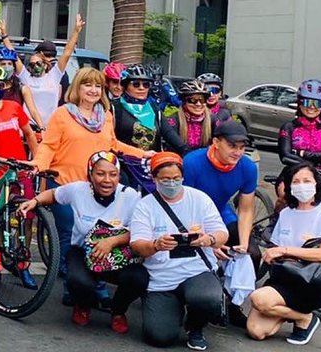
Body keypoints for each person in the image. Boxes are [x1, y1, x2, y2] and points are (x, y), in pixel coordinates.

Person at [21, 150, 148, 332]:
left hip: (119, 255)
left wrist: (111, 242)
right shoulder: (78, 189)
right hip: (82, 252)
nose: (107, 180)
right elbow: (53, 195)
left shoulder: (130, 196)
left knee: (139, 278)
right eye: (100, 173)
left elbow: (140, 231)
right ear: (90, 174)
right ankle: (82, 305)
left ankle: (118, 311)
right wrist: (34, 201)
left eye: (113, 175)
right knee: (78, 280)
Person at [129, 151, 229, 350]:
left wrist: (208, 239)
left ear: (182, 177)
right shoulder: (145, 206)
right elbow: (137, 245)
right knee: (159, 337)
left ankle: (196, 326)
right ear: (155, 179)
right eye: (165, 179)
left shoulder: (200, 199)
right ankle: (170, 310)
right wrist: (156, 245)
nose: (172, 184)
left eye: (176, 178)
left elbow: (222, 233)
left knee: (206, 298)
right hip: (162, 277)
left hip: (196, 270)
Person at [246, 158, 321, 345]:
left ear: (316, 184)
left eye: (307, 181)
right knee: (256, 331)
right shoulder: (286, 213)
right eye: (296, 182)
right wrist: (273, 254)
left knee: (258, 298)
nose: (302, 186)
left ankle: (301, 317)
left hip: (309, 282)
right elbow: (275, 249)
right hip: (283, 278)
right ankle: (299, 317)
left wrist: (287, 250)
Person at [181, 120, 258, 268]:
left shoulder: (248, 167)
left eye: (242, 148)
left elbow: (246, 209)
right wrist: (211, 242)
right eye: (232, 146)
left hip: (221, 213)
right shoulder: (191, 162)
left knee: (252, 254)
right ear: (216, 142)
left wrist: (244, 244)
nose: (238, 153)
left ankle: (250, 291)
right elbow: (183, 207)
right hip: (193, 217)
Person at [8, 12, 86, 128]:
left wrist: (76, 31)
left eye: (38, 63)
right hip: (30, 126)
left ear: (45, 64)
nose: (35, 66)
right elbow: (13, 55)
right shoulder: (26, 78)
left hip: (51, 126)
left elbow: (67, 53)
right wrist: (5, 36)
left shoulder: (54, 76)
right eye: (32, 64)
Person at [277, 79, 321, 168]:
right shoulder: (288, 127)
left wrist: (305, 154)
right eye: (307, 102)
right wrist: (310, 167)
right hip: (295, 175)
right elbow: (285, 157)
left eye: (317, 103)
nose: (311, 107)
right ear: (300, 103)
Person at [114, 64, 167, 164]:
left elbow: (169, 134)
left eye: (146, 84)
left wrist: (187, 152)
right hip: (124, 163)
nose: (141, 88)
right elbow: (110, 141)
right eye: (136, 84)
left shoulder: (154, 108)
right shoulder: (114, 108)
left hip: (151, 164)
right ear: (125, 86)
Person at [160, 81, 215, 153]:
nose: (198, 104)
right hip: (180, 159)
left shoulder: (213, 119)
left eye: (202, 100)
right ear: (184, 101)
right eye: (193, 100)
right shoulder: (173, 120)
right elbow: (171, 146)